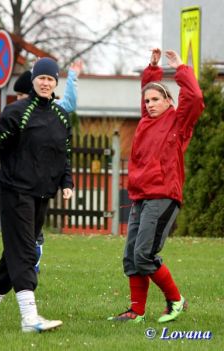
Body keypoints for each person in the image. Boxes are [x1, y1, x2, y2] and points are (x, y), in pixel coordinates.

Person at [0, 57, 74, 332]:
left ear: (55, 83)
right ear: (33, 80)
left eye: (50, 79)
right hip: (15, 191)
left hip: (42, 195)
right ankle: (30, 318)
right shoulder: (16, 112)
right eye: (41, 78)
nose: (45, 82)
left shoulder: (61, 117)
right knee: (27, 252)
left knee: (13, 255)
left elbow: (64, 155)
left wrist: (67, 182)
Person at [108, 49, 204, 323]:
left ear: (169, 101)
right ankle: (135, 312)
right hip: (141, 197)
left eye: (155, 99)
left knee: (144, 254)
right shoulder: (146, 122)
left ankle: (175, 301)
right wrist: (152, 68)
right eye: (146, 100)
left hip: (163, 196)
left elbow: (195, 97)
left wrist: (180, 68)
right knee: (131, 257)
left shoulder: (178, 122)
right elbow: (146, 92)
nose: (149, 104)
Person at [13, 60, 82, 273]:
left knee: (34, 225)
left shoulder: (54, 110)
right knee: (18, 225)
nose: (21, 101)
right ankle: (22, 259)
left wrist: (72, 76)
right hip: (18, 178)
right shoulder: (14, 114)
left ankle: (33, 257)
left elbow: (69, 103)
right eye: (19, 97)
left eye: (23, 96)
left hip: (42, 178)